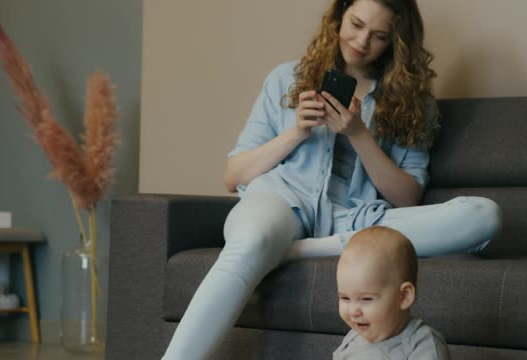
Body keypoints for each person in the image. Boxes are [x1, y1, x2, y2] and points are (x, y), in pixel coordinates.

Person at [162, 0, 501, 358]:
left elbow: (407, 198)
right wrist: (295, 133)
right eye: (355, 24)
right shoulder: (286, 78)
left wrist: (358, 134)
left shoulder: (410, 102)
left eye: (379, 35)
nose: (361, 41)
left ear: (396, 41)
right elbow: (234, 176)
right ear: (339, 16)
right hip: (282, 202)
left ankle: (298, 251)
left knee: (484, 215)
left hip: (357, 220)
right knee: (252, 240)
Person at [334, 226, 449, 359]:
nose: (353, 311)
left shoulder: (422, 345)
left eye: (366, 299)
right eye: (345, 298)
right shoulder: (352, 338)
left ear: (404, 296)